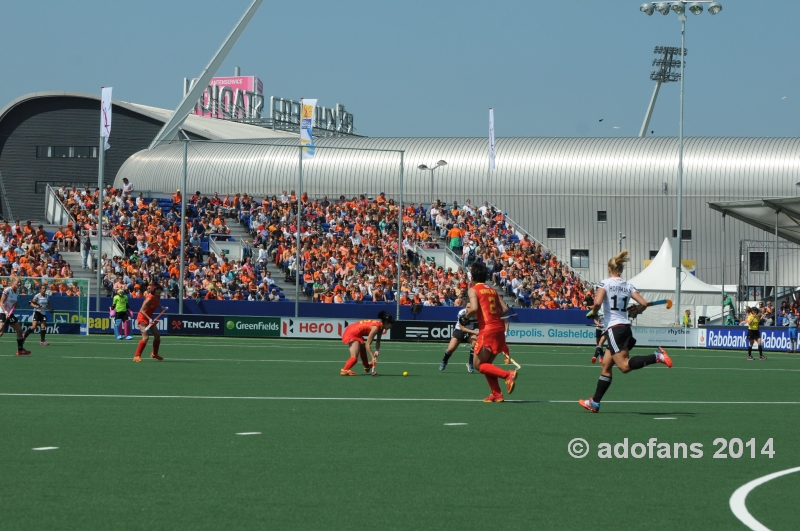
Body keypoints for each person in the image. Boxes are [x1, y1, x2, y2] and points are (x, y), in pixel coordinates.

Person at [579, 251, 672, 414]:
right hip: (624, 328)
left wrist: (594, 312)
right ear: (620, 270)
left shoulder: (604, 283)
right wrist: (637, 311)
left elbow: (598, 302)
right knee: (606, 365)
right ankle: (595, 402)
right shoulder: (628, 285)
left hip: (615, 329)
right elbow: (643, 303)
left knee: (624, 366)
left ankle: (657, 356)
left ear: (609, 269)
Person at [464, 262, 517, 402]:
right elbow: (505, 309)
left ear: (473, 277)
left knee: (478, 365)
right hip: (499, 328)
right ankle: (497, 394)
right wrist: (493, 316)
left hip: (487, 330)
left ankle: (507, 375)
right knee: (487, 364)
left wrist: (465, 317)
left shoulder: (473, 289)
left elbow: (474, 308)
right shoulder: (493, 290)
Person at [339, 311, 394, 376]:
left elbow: (378, 341)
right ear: (386, 323)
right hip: (352, 333)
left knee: (362, 347)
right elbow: (368, 344)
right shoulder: (376, 328)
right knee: (354, 357)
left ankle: (367, 367)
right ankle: (345, 370)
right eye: (391, 325)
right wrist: (372, 358)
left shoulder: (381, 326)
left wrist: (377, 350)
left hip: (356, 332)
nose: (391, 327)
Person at [439, 308, 479, 373]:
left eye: (470, 307)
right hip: (459, 331)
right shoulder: (462, 313)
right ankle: (444, 361)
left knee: (475, 343)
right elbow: (463, 329)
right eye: (467, 307)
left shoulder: (476, 313)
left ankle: (470, 363)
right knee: (450, 349)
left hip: (470, 332)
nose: (468, 309)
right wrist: (475, 332)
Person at [0, 277, 31, 355]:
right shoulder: (7, 290)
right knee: (0, 332)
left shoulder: (17, 291)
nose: (19, 284)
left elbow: (12, 303)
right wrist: (6, 312)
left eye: (20, 282)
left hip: (10, 314)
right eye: (18, 282)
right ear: (13, 282)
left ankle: (20, 350)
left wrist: (14, 306)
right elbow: (1, 302)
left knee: (19, 330)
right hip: (2, 313)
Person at [134, 284, 165, 362]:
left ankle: (154, 354)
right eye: (157, 289)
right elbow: (141, 310)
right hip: (142, 318)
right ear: (153, 290)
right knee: (146, 337)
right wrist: (149, 319)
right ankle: (137, 356)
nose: (159, 291)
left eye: (160, 289)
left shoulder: (158, 297)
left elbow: (157, 303)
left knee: (157, 336)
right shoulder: (149, 298)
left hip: (150, 317)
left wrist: (162, 307)